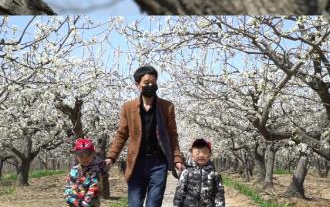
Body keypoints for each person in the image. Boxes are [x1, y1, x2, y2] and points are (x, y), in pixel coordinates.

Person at [106, 66, 184, 207]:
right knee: (134, 203)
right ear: (137, 85)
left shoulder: (167, 107)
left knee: (153, 204)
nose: (150, 85)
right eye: (146, 82)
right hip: (136, 162)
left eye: (153, 82)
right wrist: (111, 157)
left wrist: (177, 158)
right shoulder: (128, 108)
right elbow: (121, 134)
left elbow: (172, 135)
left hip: (158, 163)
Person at [173, 139, 225, 207]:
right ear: (192, 154)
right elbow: (179, 193)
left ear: (210, 154)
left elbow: (219, 194)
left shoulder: (214, 174)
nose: (201, 155)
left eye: (205, 152)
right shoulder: (186, 172)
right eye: (197, 153)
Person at [64, 138, 102, 207]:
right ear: (77, 156)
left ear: (93, 154)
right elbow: (69, 185)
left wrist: (85, 202)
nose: (85, 158)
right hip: (75, 202)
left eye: (88, 155)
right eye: (81, 156)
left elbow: (94, 186)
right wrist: (69, 197)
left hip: (90, 203)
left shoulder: (95, 170)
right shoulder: (74, 170)